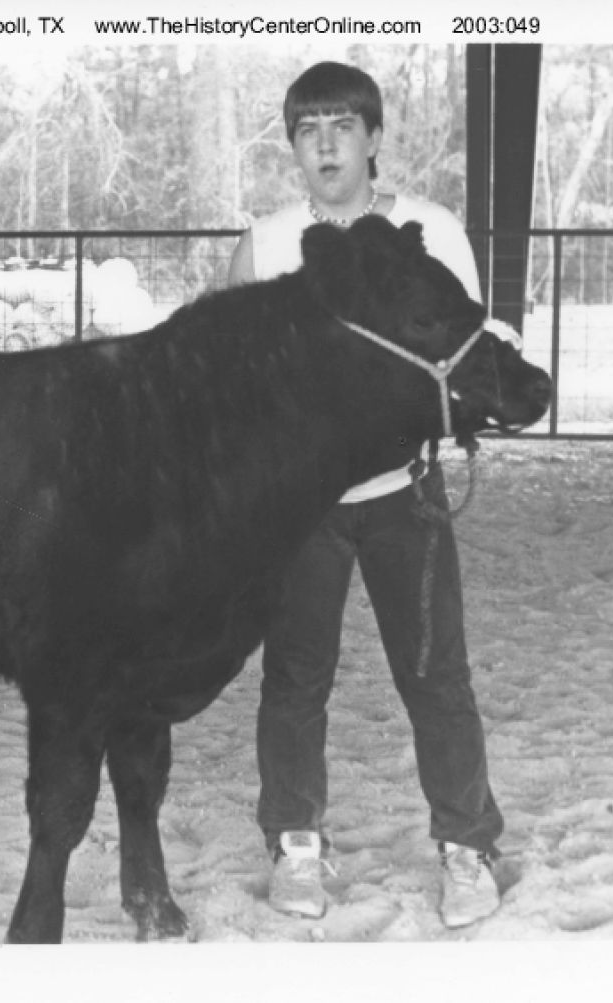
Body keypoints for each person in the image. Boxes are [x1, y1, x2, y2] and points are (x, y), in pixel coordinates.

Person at [227, 61, 502, 930]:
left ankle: (466, 844)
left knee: (435, 672)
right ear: (293, 146)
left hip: (403, 495)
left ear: (374, 137)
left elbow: (458, 355)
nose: (327, 146)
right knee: (295, 675)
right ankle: (295, 843)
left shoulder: (431, 229)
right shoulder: (266, 245)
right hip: (303, 508)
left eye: (343, 126)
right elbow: (231, 380)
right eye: (309, 130)